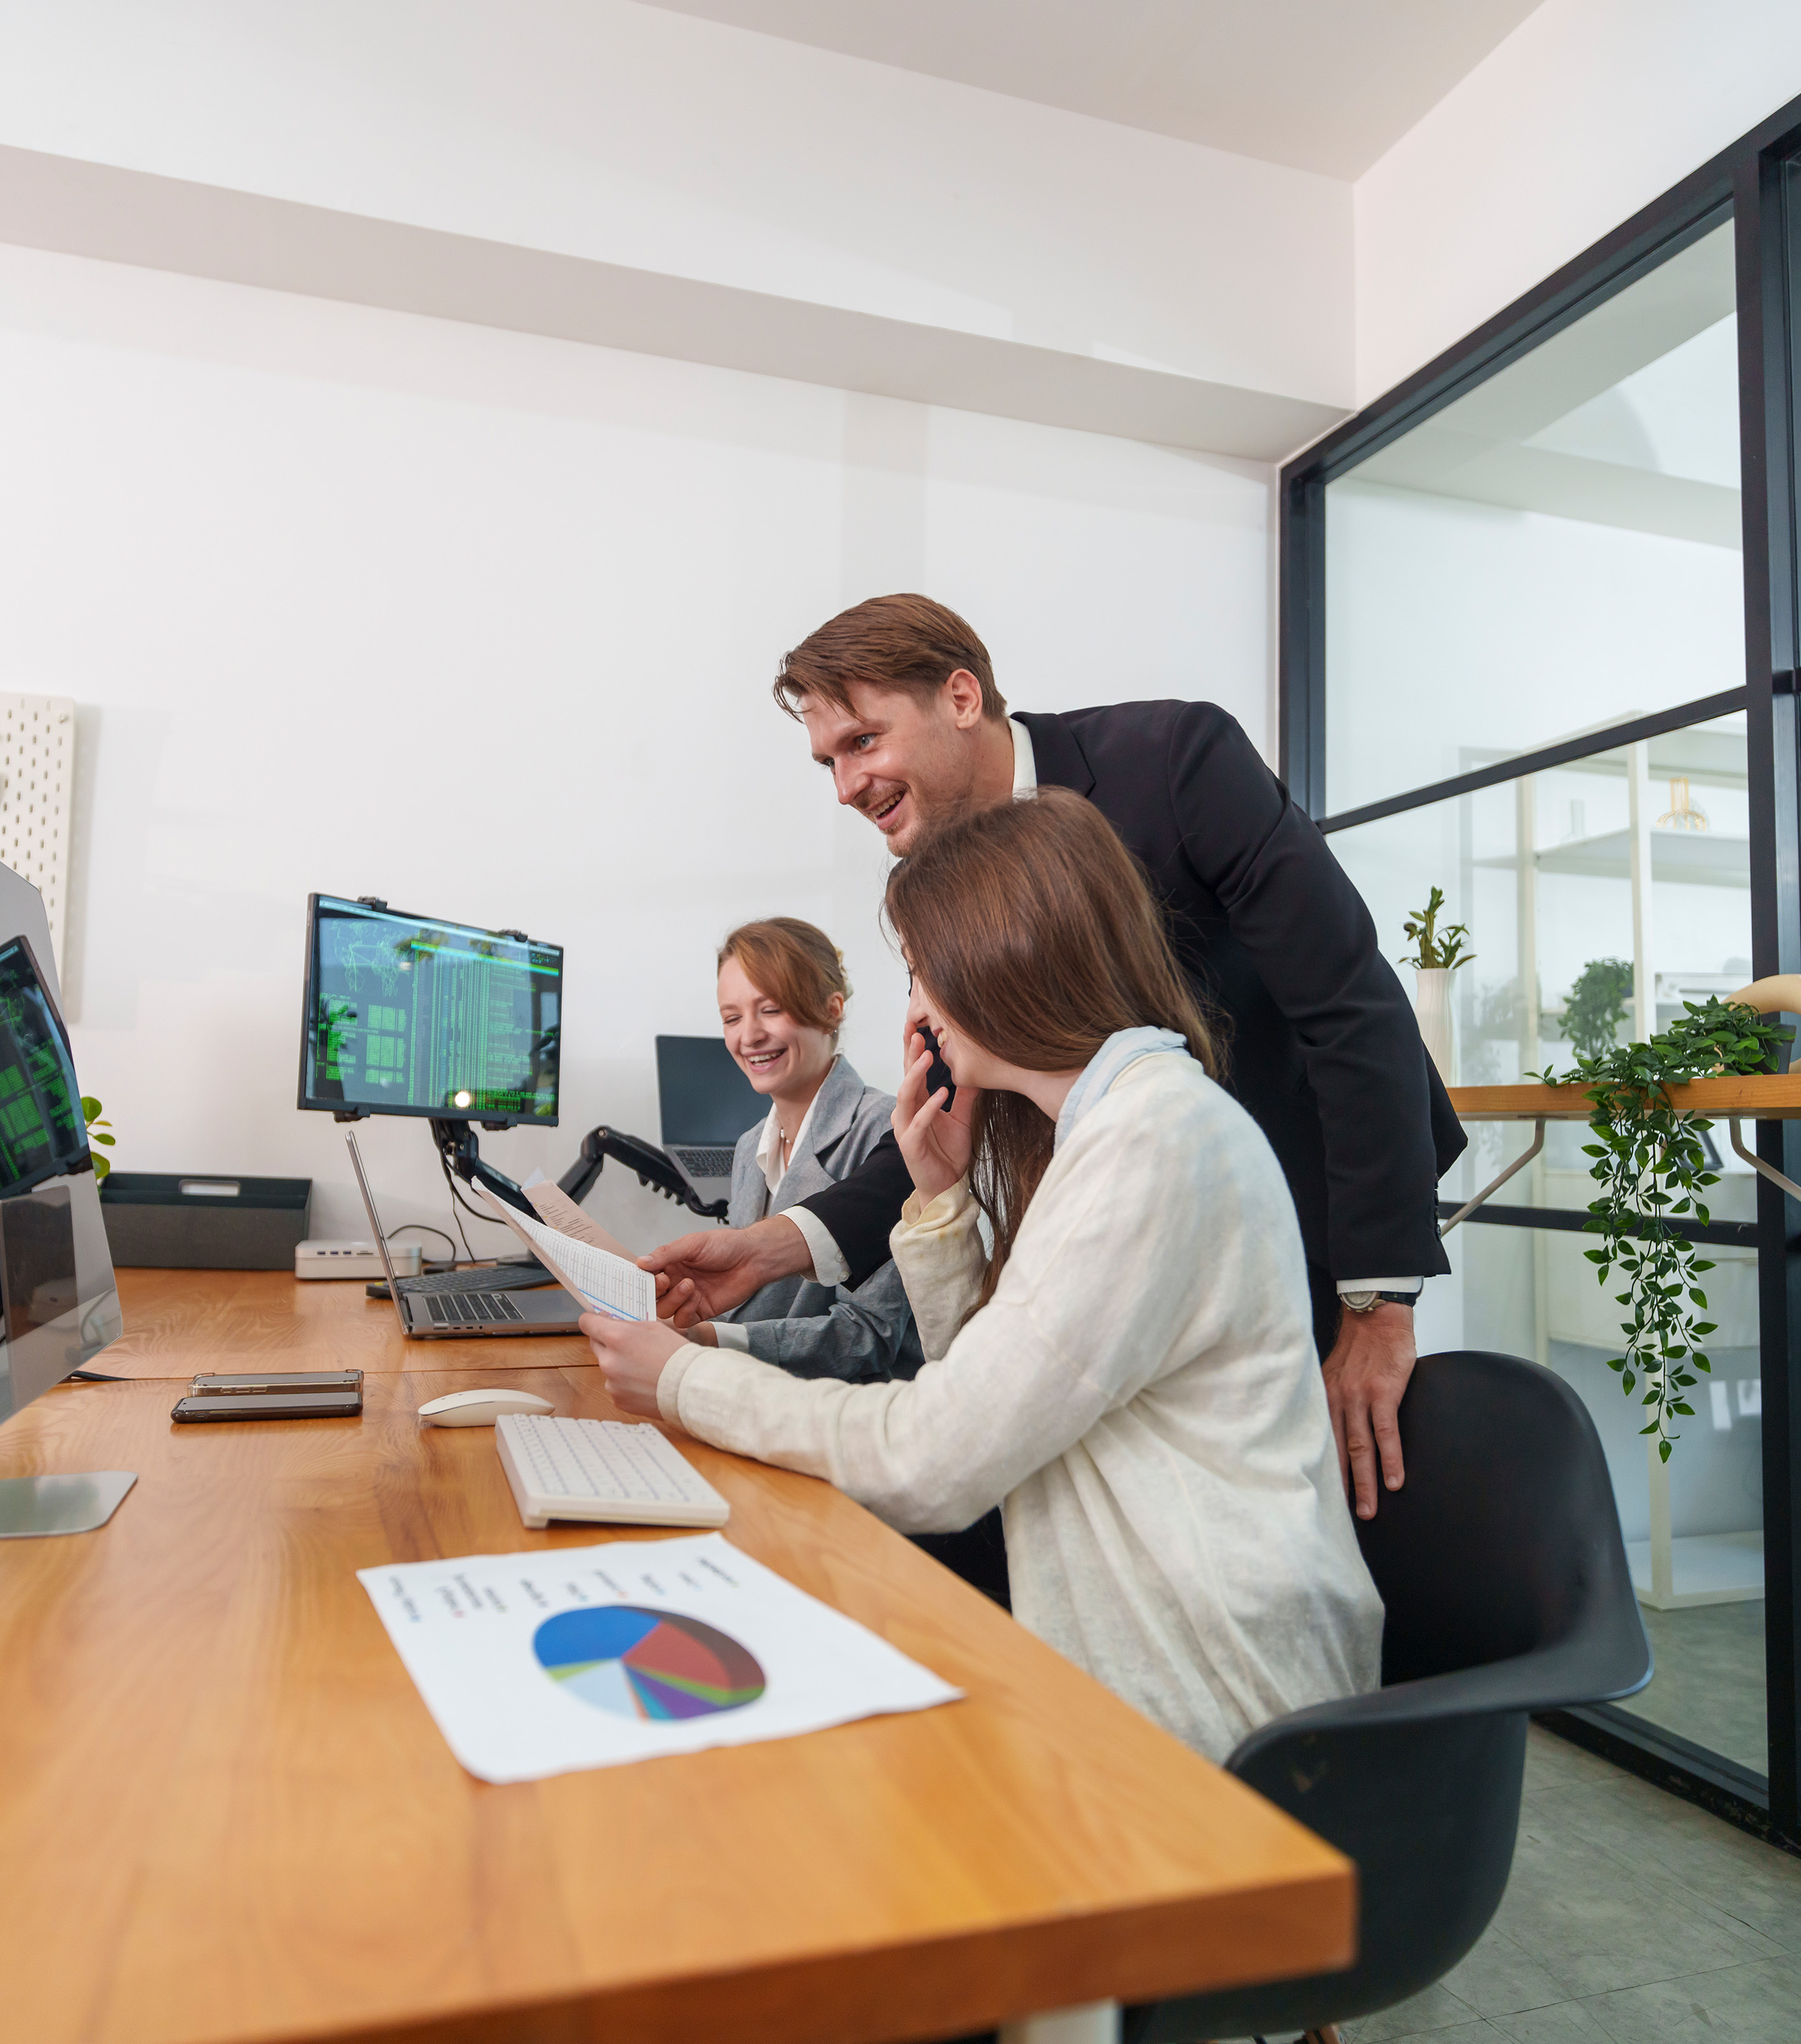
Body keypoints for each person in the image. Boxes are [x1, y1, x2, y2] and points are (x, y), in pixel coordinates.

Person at [587, 792, 1382, 1757]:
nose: (914, 1010)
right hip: (1125, 1667)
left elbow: (938, 1459)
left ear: (997, 962)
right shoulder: (1114, 1126)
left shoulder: (1155, 1142)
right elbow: (990, 1391)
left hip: (1209, 1714)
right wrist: (936, 1198)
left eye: (920, 973)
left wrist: (680, 1378)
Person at [642, 594, 1465, 1517]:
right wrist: (771, 1248)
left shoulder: (1174, 764)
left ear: (961, 697)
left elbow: (1350, 1008)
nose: (843, 786)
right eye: (827, 761)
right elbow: (938, 1112)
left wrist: (1376, 1302)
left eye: (862, 742)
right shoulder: (931, 874)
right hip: (1096, 1223)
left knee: (1292, 1495)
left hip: (1290, 1200)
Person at [692, 917, 921, 1386]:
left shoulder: (889, 1132)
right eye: (732, 1018)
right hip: (750, 1394)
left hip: (851, 1412)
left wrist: (717, 1341)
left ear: (832, 1010)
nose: (748, 1036)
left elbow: (869, 1337)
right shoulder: (748, 1147)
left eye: (770, 1009)